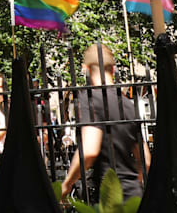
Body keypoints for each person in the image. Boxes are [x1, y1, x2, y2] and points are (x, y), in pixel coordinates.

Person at [60, 43, 148, 204]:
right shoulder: (127, 104)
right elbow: (145, 159)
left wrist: (67, 183)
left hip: (111, 198)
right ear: (113, 69)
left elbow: (89, 151)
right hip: (135, 196)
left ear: (86, 69)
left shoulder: (90, 99)